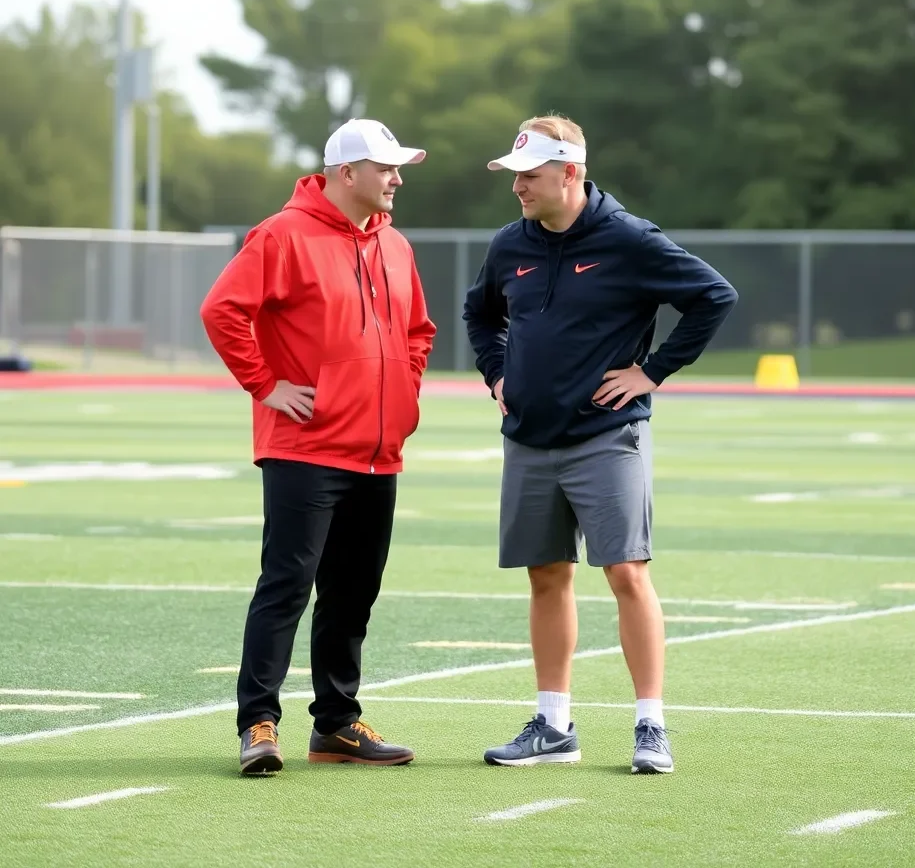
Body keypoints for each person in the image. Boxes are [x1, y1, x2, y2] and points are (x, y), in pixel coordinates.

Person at [463, 114, 738, 775]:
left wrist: (652, 371)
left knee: (626, 572)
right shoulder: (510, 244)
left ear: (570, 173)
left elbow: (713, 296)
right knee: (546, 575)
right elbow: (480, 313)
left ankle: (651, 726)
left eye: (529, 176)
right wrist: (496, 372)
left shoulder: (629, 239)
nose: (518, 188)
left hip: (606, 435)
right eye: (515, 176)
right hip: (528, 437)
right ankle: (554, 724)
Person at [200, 118, 436, 775]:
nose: (397, 178)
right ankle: (258, 725)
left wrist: (404, 397)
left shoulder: (397, 246)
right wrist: (266, 385)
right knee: (287, 585)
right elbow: (222, 309)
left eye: (398, 167)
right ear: (345, 173)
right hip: (304, 447)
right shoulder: (282, 235)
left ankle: (336, 726)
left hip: (377, 450)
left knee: (353, 592)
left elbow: (419, 330)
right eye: (385, 167)